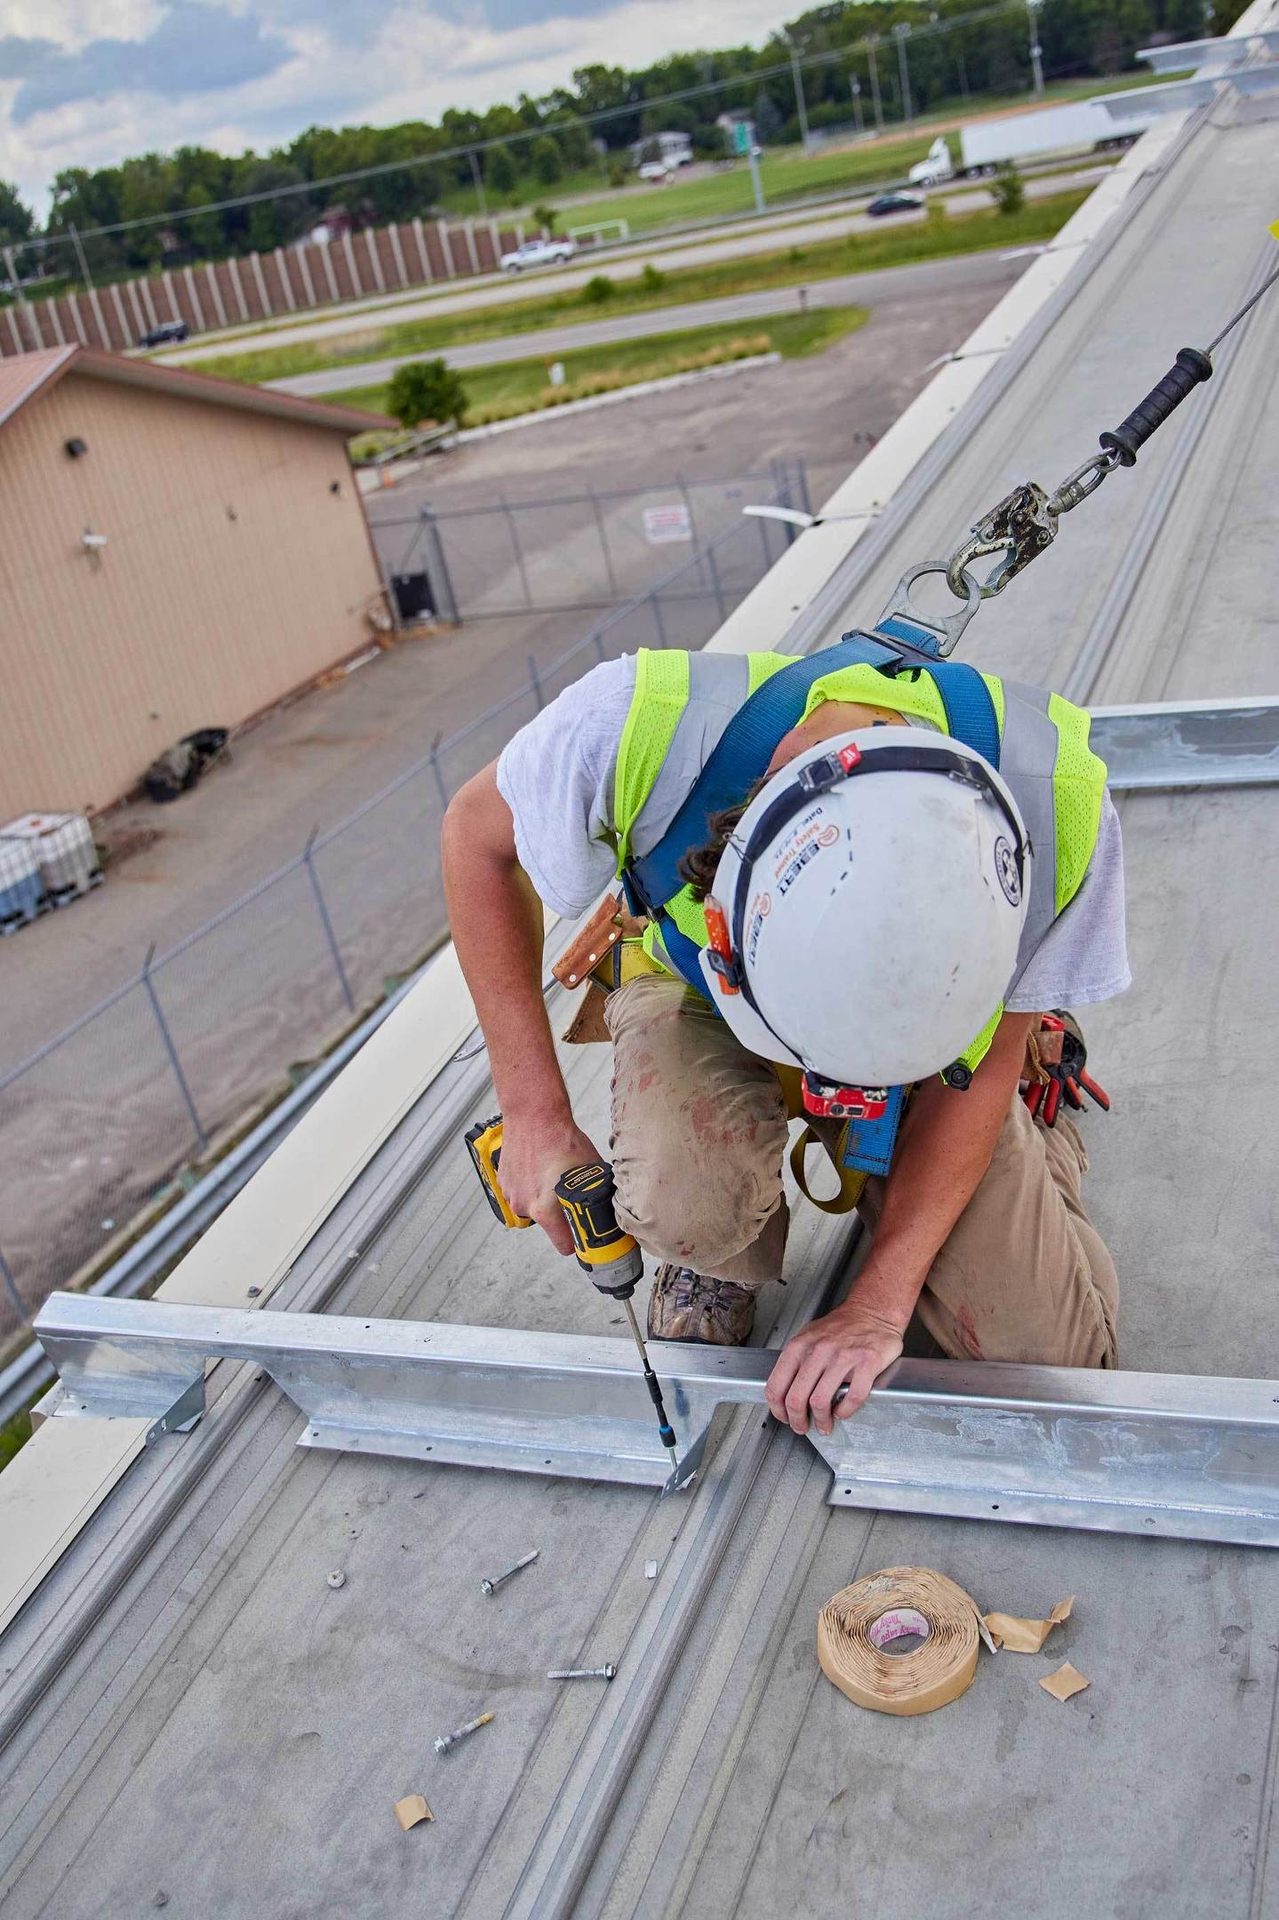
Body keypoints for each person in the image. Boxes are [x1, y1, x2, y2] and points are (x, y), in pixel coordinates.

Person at [442, 642, 1129, 1443]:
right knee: (683, 1207)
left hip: (936, 1054)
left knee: (1045, 1356)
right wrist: (533, 1114)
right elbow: (474, 836)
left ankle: (1023, 1124)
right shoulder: (627, 728)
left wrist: (877, 1305)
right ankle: (717, 1259)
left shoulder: (1058, 800)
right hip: (695, 990)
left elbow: (980, 1065)